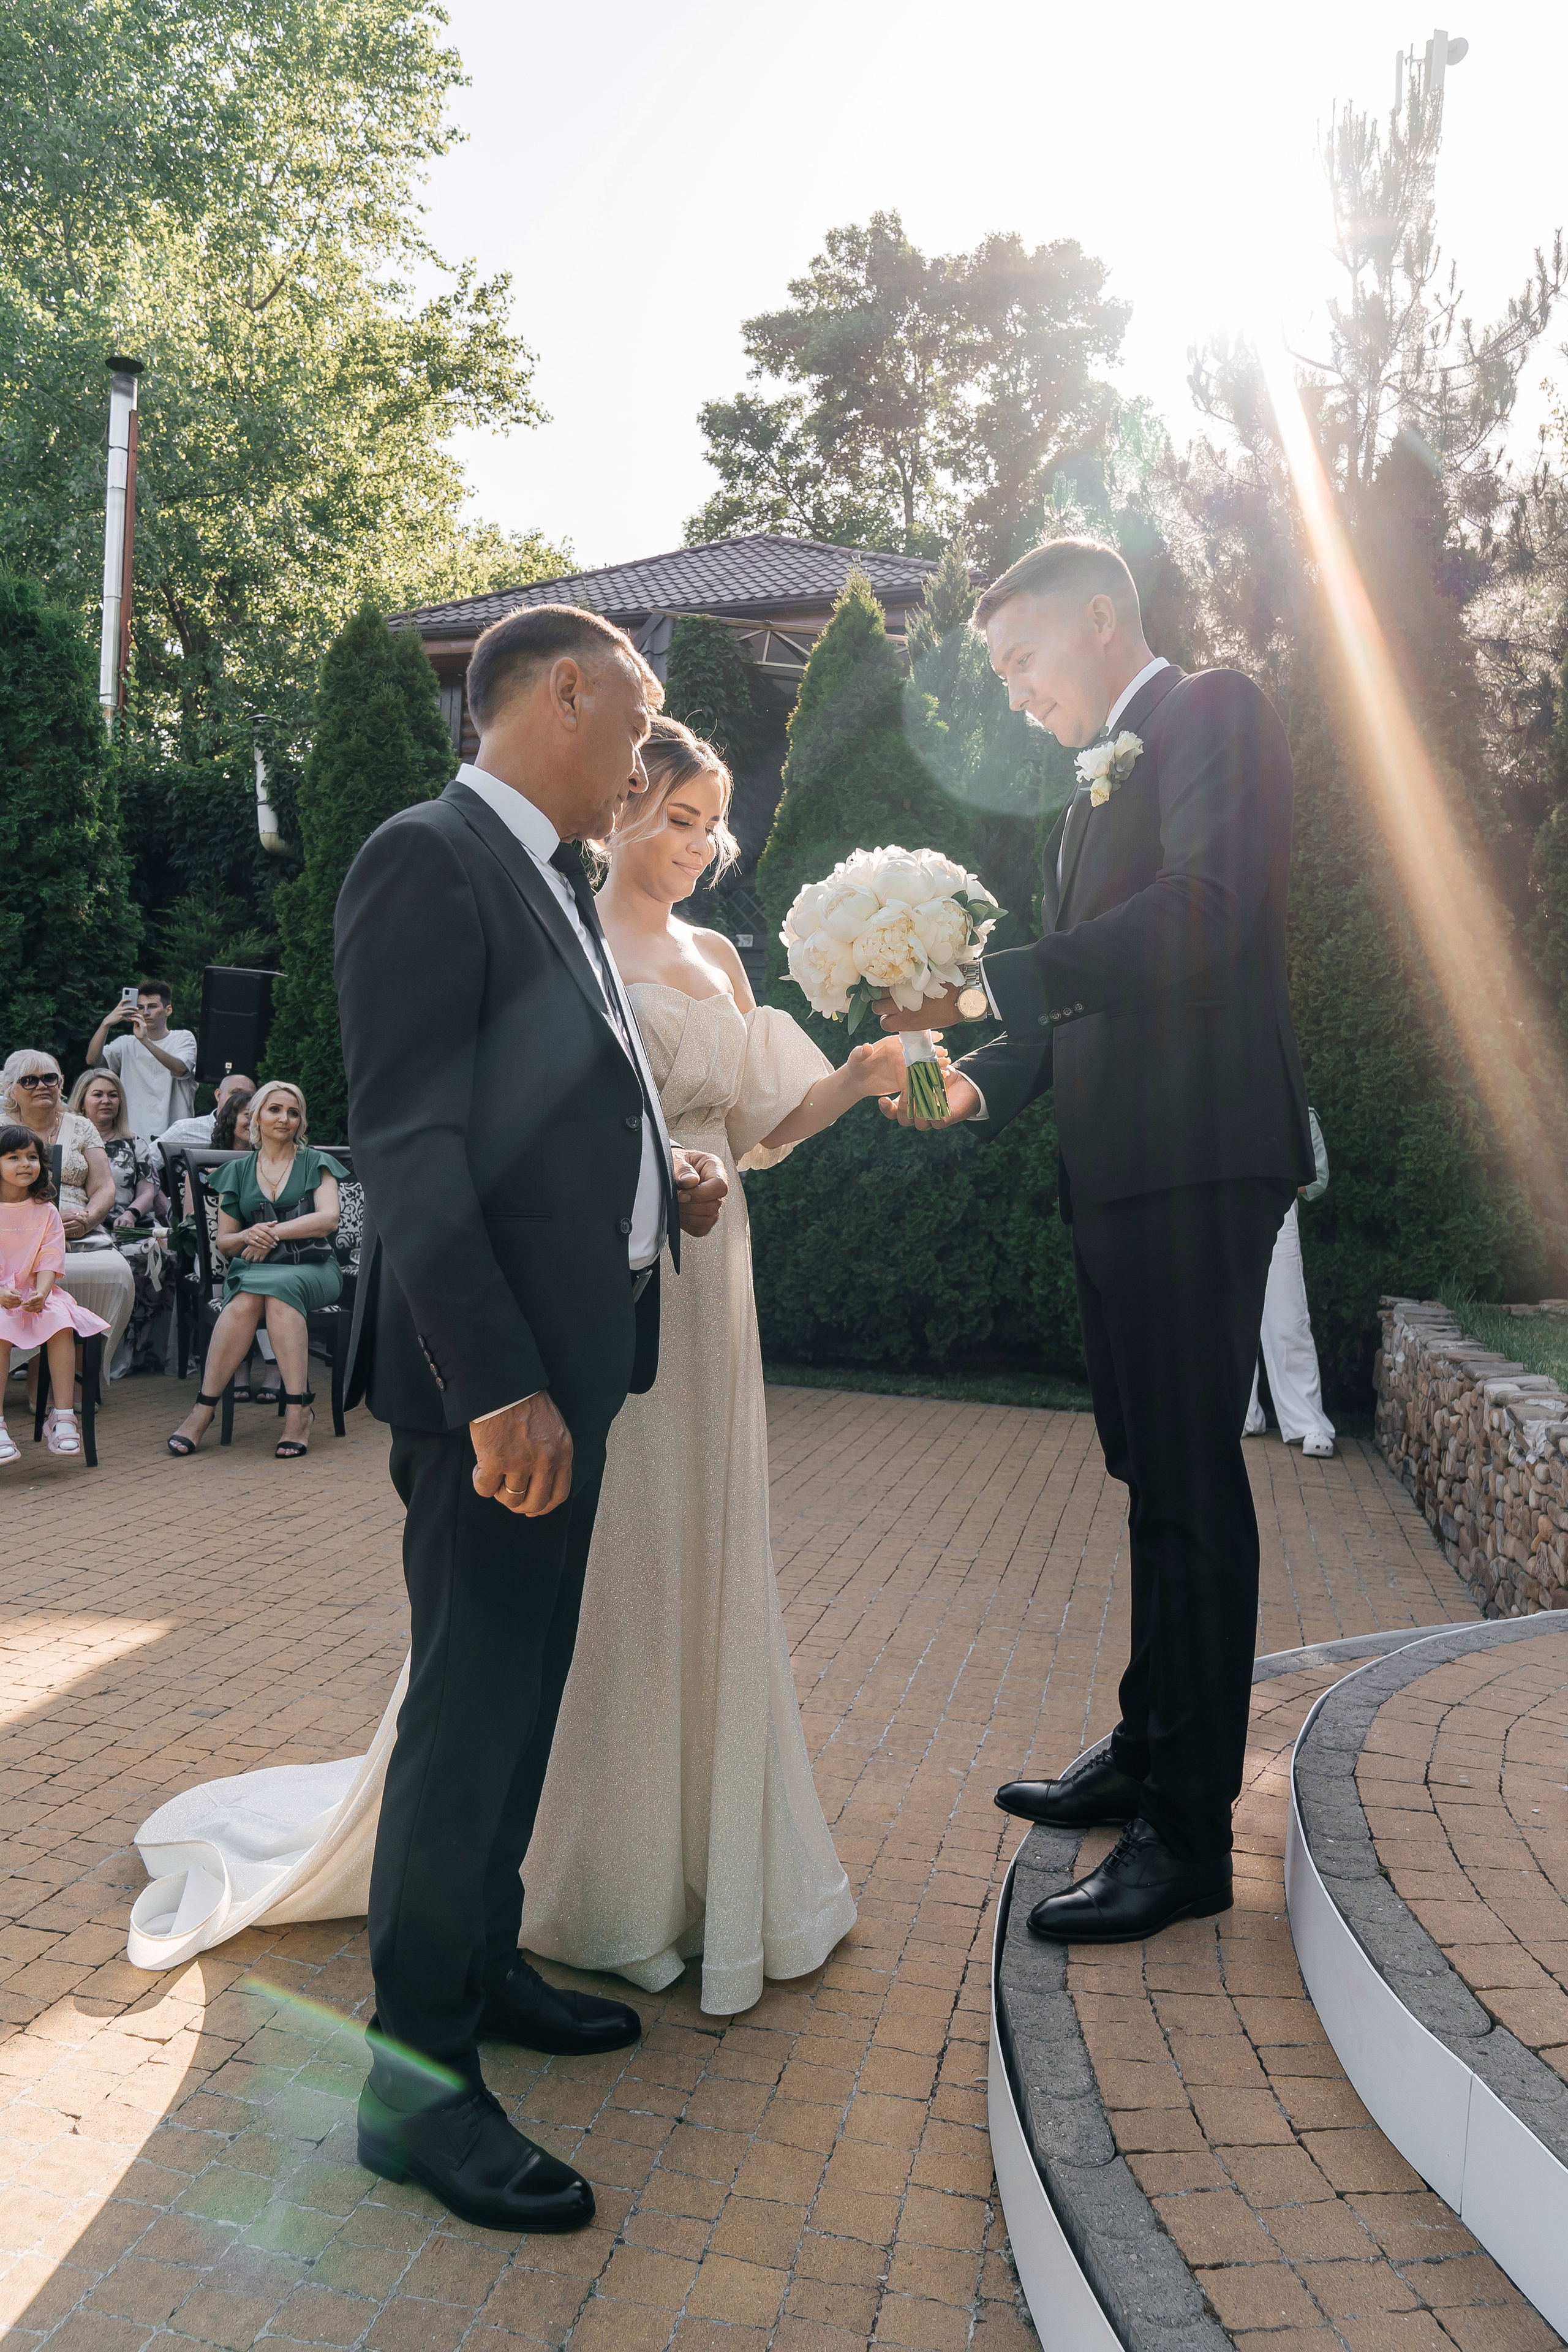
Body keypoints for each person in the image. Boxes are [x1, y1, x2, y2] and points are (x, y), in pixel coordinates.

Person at [334, 599, 729, 2233]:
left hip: (582, 1371)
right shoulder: (427, 857)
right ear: (564, 692)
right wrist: (497, 1381)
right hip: (495, 1394)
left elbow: (563, 1106)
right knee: (465, 1718)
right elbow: (413, 1145)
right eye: (638, 724)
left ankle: (482, 1968)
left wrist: (669, 1181)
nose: (645, 759)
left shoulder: (557, 878)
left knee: (518, 1698)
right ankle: (414, 2091)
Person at [876, 538, 1313, 1946]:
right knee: (1147, 1472)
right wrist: (968, 1074)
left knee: (1189, 1477)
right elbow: (1077, 1014)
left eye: (1018, 660)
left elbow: (1193, 920)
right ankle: (1145, 1747)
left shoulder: (1214, 715)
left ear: (1102, 619)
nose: (1009, 693)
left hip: (1198, 1160)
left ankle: (1188, 1837)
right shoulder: (1081, 800)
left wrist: (983, 976)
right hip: (1117, 1172)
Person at [167, 1081, 342, 1461]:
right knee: (248, 1300)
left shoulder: (317, 1162)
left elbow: (328, 1219)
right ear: (256, 1117)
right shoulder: (239, 1170)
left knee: (274, 1291)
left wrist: (270, 1232)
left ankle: (295, 1413)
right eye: (275, 1109)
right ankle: (207, 1409)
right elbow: (227, 1243)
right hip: (255, 1269)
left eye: (293, 1112)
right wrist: (248, 1233)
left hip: (313, 1268)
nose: (284, 1118)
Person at [0, 1052, 135, 1367]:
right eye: (29, 1080)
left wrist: (88, 1220)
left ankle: (81, 1370)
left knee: (116, 1272)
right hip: (14, 1233)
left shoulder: (82, 1126)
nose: (42, 1086)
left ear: (60, 1084)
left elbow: (104, 1187)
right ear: (11, 1089)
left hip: (80, 1228)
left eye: (50, 1078)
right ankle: (34, 1366)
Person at [0, 1125, 111, 1461]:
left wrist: (44, 1291)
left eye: (32, 1157)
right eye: (13, 1157)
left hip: (38, 1290)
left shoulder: (45, 1210)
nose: (25, 1164)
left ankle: (63, 1417)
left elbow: (50, 1255)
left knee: (60, 1321)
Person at [1244, 1106, 1335, 1457]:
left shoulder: (1298, 1109)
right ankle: (1241, 1414)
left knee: (1287, 1317)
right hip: (1222, 1212)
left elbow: (1318, 1177)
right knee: (1223, 1316)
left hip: (1277, 1211)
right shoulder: (1216, 1098)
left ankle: (1308, 1422)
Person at [70, 1068, 165, 1375]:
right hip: (84, 1225)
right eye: (98, 1094)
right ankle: (75, 1347)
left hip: (128, 1226)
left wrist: (133, 1213)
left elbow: (149, 1188)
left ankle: (130, 1351)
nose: (106, 1101)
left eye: (113, 1095)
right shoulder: (69, 1142)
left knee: (155, 1255)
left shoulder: (135, 1143)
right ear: (82, 1101)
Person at [86, 979, 198, 1140]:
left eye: (152, 1006)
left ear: (168, 1010)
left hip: (174, 1139)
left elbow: (181, 1069)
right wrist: (106, 1024)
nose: (145, 1012)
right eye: (140, 1007)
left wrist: (146, 1041)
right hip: (133, 1136)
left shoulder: (183, 1037)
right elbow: (93, 1060)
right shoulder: (126, 1043)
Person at [155, 1069, 255, 1178]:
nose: (242, 1100)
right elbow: (148, 1164)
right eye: (235, 1093)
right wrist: (159, 1194)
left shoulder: (259, 1133)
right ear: (218, 1095)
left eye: (250, 1097)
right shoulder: (185, 1129)